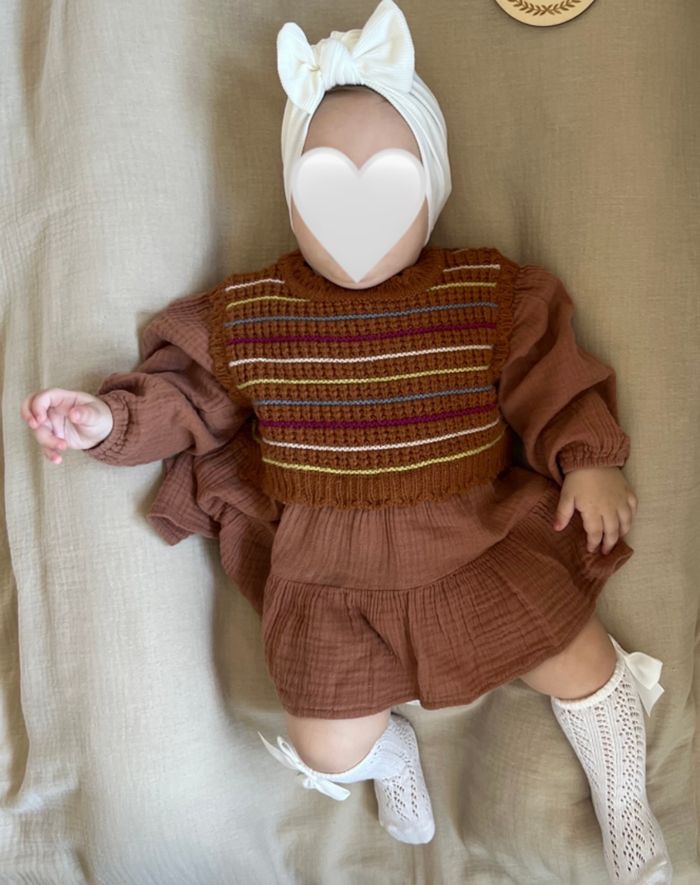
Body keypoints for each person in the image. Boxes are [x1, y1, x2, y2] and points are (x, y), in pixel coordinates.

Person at [20, 1, 672, 881]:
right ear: (293, 197)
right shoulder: (253, 314)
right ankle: (387, 754)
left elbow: (549, 373)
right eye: (325, 184)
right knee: (324, 740)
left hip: (472, 537)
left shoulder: (481, 295)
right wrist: (107, 420)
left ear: (432, 192)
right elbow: (191, 399)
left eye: (388, 182)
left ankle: (625, 799)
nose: (355, 212)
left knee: (576, 653)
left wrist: (587, 457)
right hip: (329, 576)